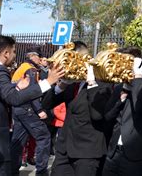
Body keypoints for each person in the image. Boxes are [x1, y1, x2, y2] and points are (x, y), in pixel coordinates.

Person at [0, 35, 64, 176]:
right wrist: (48, 82)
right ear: (6, 53)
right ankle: (41, 171)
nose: (15, 55)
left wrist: (15, 87)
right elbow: (13, 98)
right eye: (14, 51)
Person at [42, 41, 112, 176]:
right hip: (64, 149)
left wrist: (91, 82)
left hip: (87, 152)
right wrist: (61, 86)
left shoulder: (102, 83)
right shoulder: (72, 83)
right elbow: (46, 105)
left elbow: (97, 115)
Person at [102, 48, 142, 176]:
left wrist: (136, 78)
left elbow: (139, 106)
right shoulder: (120, 86)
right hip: (113, 153)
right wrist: (120, 100)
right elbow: (108, 116)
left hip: (134, 156)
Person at [10, 47, 52, 176]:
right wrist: (39, 110)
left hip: (17, 108)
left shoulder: (22, 67)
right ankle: (41, 171)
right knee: (44, 137)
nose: (40, 60)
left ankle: (12, 170)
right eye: (39, 57)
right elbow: (32, 92)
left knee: (18, 140)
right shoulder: (31, 70)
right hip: (27, 108)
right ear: (33, 56)